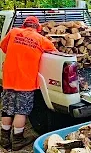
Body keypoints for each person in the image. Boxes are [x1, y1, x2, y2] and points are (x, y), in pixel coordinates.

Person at [0, 16, 57, 150]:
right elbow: (54, 51)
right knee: (21, 111)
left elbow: (3, 47)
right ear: (38, 28)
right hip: (26, 81)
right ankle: (18, 140)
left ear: (24, 25)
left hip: (9, 78)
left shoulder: (14, 32)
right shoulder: (41, 39)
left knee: (7, 109)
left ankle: (4, 138)